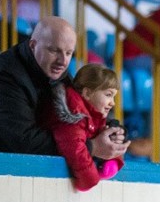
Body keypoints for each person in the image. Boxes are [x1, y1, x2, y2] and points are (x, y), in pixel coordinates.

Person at [0, 16, 127, 160]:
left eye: (69, 53)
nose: (62, 61)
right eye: (54, 51)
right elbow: (26, 142)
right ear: (33, 45)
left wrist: (111, 131)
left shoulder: (53, 70)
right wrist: (92, 147)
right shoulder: (3, 79)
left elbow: (81, 112)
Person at [41, 63, 124, 191]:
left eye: (114, 97)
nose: (113, 103)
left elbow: (101, 143)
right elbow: (75, 149)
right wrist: (91, 180)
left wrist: (113, 155)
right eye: (108, 95)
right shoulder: (73, 114)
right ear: (87, 93)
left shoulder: (94, 115)